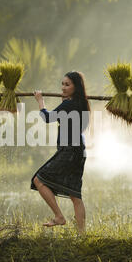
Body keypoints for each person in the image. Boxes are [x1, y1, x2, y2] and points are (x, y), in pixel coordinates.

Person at [30, 71, 90, 233]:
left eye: (67, 85)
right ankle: (81, 234)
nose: (63, 87)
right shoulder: (80, 103)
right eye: (62, 84)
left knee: (38, 180)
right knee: (75, 196)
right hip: (79, 151)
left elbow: (48, 118)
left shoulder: (68, 104)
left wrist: (40, 101)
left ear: (76, 87)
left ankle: (59, 216)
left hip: (69, 151)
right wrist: (66, 99)